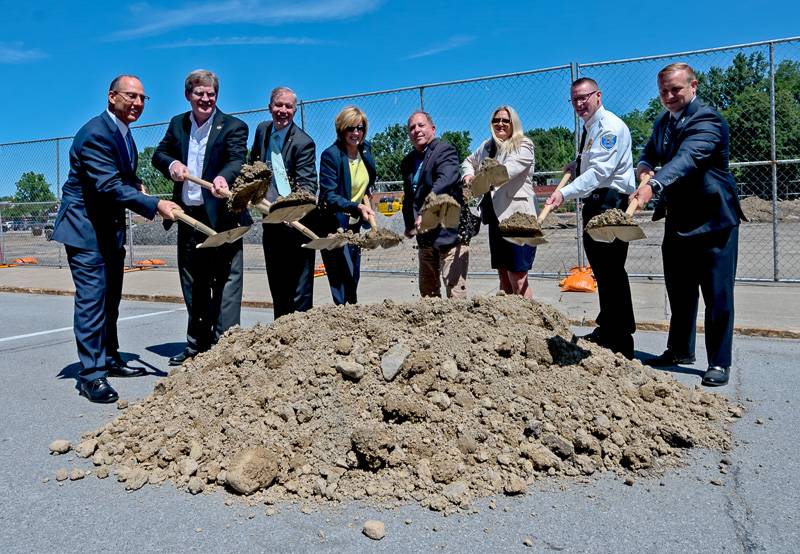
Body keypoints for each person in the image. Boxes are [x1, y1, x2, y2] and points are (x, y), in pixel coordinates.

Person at [51, 75, 179, 403]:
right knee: (93, 300)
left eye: (142, 98)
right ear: (111, 97)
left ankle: (109, 357)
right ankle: (91, 375)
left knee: (111, 299)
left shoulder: (123, 133)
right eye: (130, 96)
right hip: (84, 230)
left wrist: (136, 184)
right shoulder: (95, 133)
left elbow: (121, 177)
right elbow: (107, 184)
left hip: (108, 230)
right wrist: (155, 204)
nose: (137, 103)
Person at [631, 62, 745, 386]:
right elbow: (648, 155)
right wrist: (643, 171)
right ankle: (679, 349)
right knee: (679, 293)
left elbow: (688, 159)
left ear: (693, 86)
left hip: (714, 222)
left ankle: (719, 362)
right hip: (679, 221)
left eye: (676, 89)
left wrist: (652, 186)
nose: (669, 96)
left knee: (717, 296)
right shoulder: (664, 123)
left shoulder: (708, 120)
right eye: (664, 91)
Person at [152, 69, 250, 366]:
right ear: (188, 95)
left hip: (222, 217)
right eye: (199, 93)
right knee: (193, 283)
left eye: (211, 94)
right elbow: (159, 154)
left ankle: (226, 346)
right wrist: (172, 166)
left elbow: (236, 159)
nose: (205, 99)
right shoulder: (178, 124)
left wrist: (223, 177)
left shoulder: (233, 126)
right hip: (188, 217)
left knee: (226, 283)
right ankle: (197, 345)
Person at [545, 78, 637, 359]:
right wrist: (577, 165)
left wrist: (564, 194)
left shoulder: (609, 127)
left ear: (598, 95)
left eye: (584, 97)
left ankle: (621, 339)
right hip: (597, 202)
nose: (579, 104)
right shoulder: (590, 128)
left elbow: (600, 173)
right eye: (574, 100)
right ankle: (608, 327)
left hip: (609, 202)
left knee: (611, 270)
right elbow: (592, 164)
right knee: (603, 271)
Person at [249, 86, 318, 319]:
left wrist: (294, 211)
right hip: (271, 220)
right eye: (279, 105)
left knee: (300, 291)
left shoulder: (303, 143)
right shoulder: (262, 131)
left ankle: (301, 339)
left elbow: (308, 185)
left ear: (295, 111)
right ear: (270, 107)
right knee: (278, 287)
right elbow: (253, 167)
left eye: (288, 106)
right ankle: (280, 338)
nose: (283, 110)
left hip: (297, 225)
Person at [462, 105, 537, 298]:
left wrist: (477, 182)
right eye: (496, 120)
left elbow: (504, 173)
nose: (500, 124)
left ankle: (529, 321)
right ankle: (508, 324)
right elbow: (468, 162)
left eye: (506, 120)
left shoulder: (523, 145)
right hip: (495, 218)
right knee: (503, 275)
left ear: (514, 123)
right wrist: (468, 177)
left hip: (518, 218)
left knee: (518, 276)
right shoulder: (487, 146)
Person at [401, 111, 467, 298]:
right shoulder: (407, 162)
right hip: (425, 234)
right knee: (428, 291)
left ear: (432, 128)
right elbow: (409, 197)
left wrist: (426, 209)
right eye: (412, 127)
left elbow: (446, 180)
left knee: (455, 289)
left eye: (421, 125)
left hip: (450, 231)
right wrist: (409, 225)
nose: (416, 130)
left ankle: (459, 324)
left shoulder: (444, 150)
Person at [317, 106, 376, 304]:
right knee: (341, 276)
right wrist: (357, 207)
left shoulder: (366, 150)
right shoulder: (331, 156)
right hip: (334, 223)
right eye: (350, 128)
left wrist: (366, 194)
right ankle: (343, 318)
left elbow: (367, 178)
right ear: (342, 129)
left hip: (354, 224)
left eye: (360, 128)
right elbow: (328, 195)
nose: (356, 133)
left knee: (354, 275)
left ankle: (351, 316)